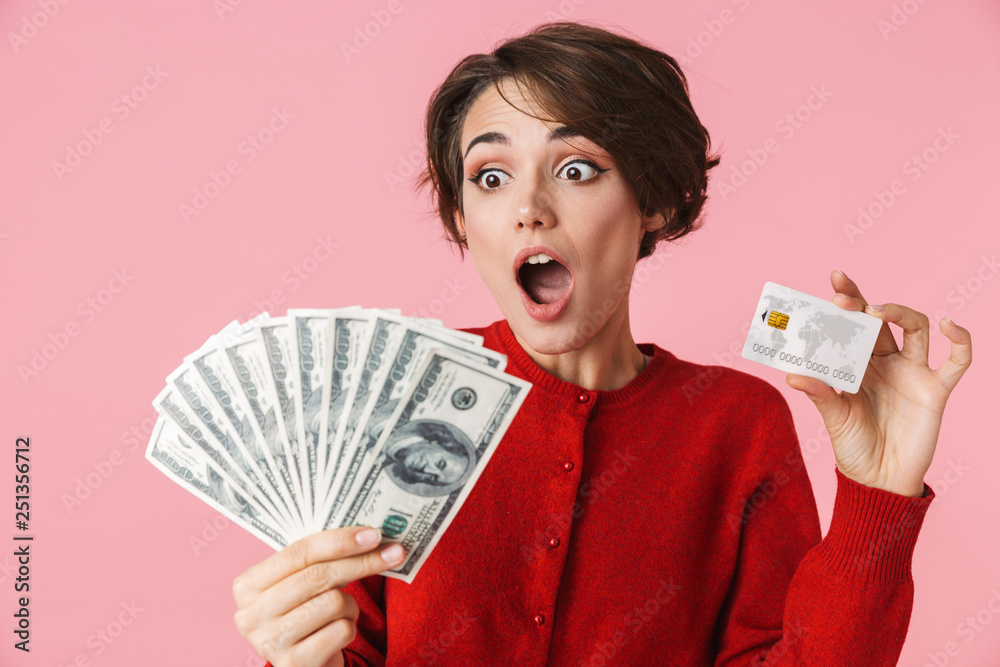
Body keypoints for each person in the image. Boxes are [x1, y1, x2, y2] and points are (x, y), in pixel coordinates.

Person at [231, 21, 972, 666]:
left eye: (577, 169)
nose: (528, 209)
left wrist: (879, 493)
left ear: (656, 200)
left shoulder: (737, 425)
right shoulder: (398, 391)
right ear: (462, 218)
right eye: (490, 176)